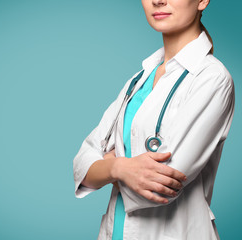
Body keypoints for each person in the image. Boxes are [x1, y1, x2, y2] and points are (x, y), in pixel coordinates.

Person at [72, 0, 235, 239]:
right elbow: (82, 165)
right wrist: (120, 167)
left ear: (202, 1)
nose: (158, 0)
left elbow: (162, 184)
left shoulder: (212, 78)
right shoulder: (138, 80)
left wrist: (108, 166)